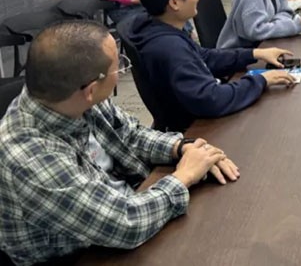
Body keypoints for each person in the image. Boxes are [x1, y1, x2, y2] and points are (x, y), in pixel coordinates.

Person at [0, 20, 238, 265]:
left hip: (126, 206)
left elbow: (131, 134)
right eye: (119, 67)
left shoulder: (74, 98)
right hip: (85, 253)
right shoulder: (29, 157)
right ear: (91, 89)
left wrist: (181, 148)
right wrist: (184, 176)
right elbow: (125, 223)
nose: (122, 71)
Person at [127, 0, 295, 132]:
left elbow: (203, 57)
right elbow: (211, 99)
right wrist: (260, 80)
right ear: (175, 3)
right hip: (199, 129)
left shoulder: (159, 28)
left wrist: (254, 54)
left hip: (199, 115)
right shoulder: (170, 48)